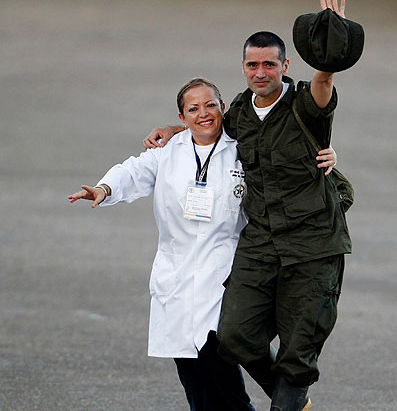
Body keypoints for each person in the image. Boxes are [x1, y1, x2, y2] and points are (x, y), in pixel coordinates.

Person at [68, 78, 337, 411]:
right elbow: (133, 171)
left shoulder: (243, 148)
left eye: (210, 105)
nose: (204, 114)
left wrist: (327, 154)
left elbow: (287, 160)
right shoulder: (167, 152)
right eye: (193, 109)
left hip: (225, 275)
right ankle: (292, 398)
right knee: (196, 383)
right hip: (177, 278)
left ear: (223, 108)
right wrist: (104, 189)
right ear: (182, 118)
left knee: (220, 370)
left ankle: (291, 395)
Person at [144, 0, 356, 411]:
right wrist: (174, 128)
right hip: (262, 243)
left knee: (298, 353)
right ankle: (292, 398)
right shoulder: (239, 112)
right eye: (253, 64)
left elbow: (324, 84)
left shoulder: (305, 105)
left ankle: (291, 398)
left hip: (312, 245)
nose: (261, 72)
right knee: (233, 336)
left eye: (269, 64)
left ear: (285, 67)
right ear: (243, 67)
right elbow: (209, 125)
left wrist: (329, 53)